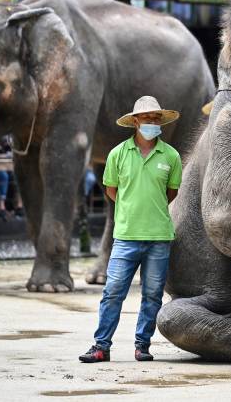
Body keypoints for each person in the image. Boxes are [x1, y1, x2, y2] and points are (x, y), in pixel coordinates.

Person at [79, 96, 182, 363]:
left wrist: (149, 208)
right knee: (113, 291)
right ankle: (101, 345)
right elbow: (111, 190)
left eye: (156, 118)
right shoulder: (117, 154)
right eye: (147, 118)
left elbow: (170, 193)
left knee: (152, 295)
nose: (152, 122)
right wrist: (131, 209)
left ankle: (142, 345)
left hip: (159, 236)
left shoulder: (171, 156)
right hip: (125, 236)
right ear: (135, 122)